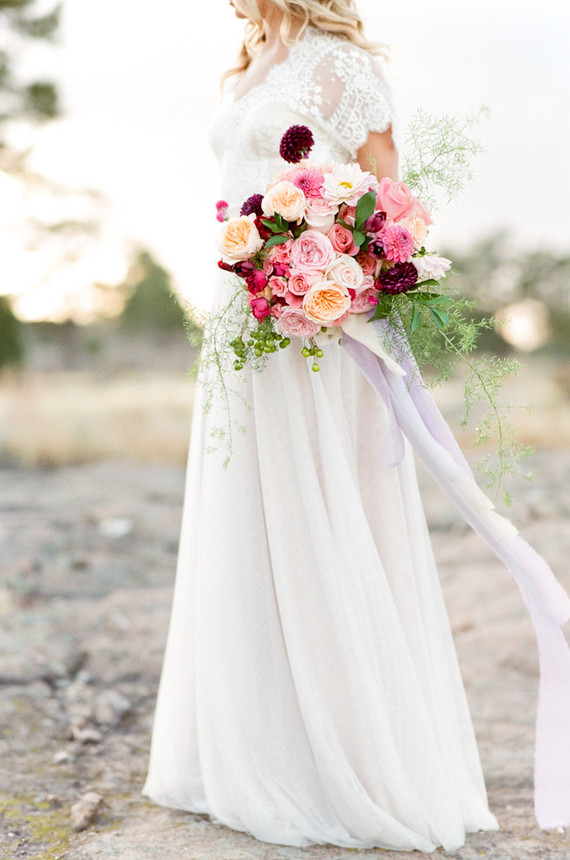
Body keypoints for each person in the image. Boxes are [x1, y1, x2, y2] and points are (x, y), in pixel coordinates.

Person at [142, 0, 506, 851]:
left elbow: (395, 206)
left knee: (320, 521)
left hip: (319, 327)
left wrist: (331, 270)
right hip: (241, 322)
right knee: (244, 528)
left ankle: (345, 760)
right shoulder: (246, 64)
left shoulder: (342, 65)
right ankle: (254, 746)